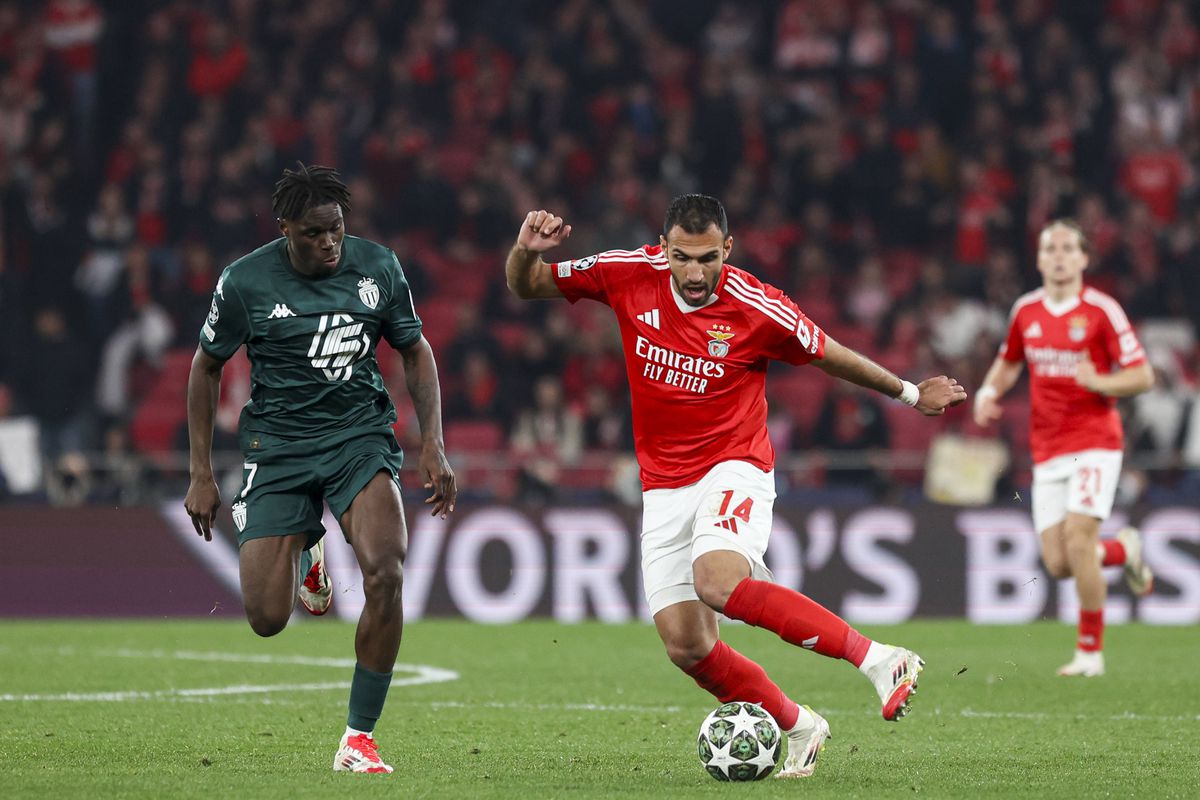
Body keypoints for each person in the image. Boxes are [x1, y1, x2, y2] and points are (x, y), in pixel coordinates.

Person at [505, 195, 965, 779]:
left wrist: (910, 393)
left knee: (717, 581)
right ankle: (800, 726)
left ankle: (879, 659)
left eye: (707, 258)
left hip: (734, 463)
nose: (695, 273)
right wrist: (525, 250)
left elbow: (829, 354)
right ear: (663, 248)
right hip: (663, 486)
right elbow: (528, 284)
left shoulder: (757, 306)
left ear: (727, 248)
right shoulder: (627, 272)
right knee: (686, 645)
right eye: (681, 258)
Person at [184, 164, 456, 774]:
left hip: (359, 437)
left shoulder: (378, 266)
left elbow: (415, 350)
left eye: (336, 229)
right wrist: (200, 472)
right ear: (285, 229)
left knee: (386, 571)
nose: (330, 242)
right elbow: (206, 365)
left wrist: (433, 444)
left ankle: (358, 739)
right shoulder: (245, 281)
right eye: (313, 233)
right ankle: (309, 542)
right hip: (278, 447)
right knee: (266, 619)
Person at [974, 219, 1155, 678]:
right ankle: (1123, 551)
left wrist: (1102, 382)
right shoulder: (1025, 310)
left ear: (1083, 258)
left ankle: (1090, 653)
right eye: (1049, 248)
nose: (1058, 256)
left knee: (1078, 539)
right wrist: (988, 391)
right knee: (1058, 563)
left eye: (1067, 248)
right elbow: (1009, 362)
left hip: (1096, 441)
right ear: (1038, 259)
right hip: (1047, 447)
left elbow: (1142, 375)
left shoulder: (1102, 311)